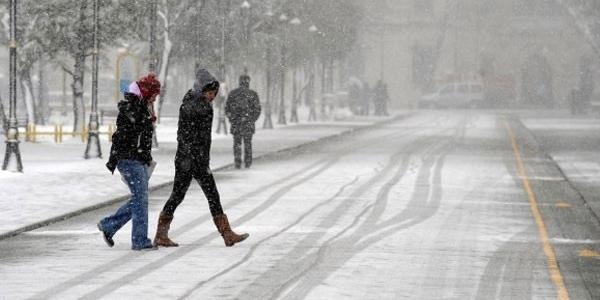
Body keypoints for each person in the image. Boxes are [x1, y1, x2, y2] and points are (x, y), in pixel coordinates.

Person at [153, 68, 249, 248]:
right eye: (211, 92)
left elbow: (199, 137)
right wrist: (194, 157)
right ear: (202, 89)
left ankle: (162, 233)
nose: (213, 96)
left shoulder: (199, 103)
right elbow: (186, 135)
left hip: (193, 159)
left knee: (188, 195)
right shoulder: (193, 106)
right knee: (194, 195)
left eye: (214, 93)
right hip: (190, 160)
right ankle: (225, 234)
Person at [97, 73, 161, 251]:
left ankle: (109, 225)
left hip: (136, 159)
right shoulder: (133, 108)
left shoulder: (142, 108)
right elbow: (126, 137)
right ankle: (139, 240)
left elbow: (142, 137)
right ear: (147, 92)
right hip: (129, 159)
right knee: (141, 199)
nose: (155, 98)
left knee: (139, 199)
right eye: (154, 94)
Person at [225, 75, 261, 169]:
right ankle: (248, 162)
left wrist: (232, 119)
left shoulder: (233, 94)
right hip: (248, 123)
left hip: (236, 123)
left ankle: (237, 161)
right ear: (248, 82)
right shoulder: (253, 94)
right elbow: (257, 109)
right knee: (248, 143)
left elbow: (227, 109)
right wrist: (252, 119)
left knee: (237, 143)